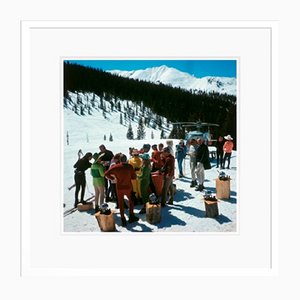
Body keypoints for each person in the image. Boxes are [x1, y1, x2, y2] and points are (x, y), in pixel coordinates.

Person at [105, 154, 139, 227]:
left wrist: (113, 179)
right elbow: (134, 177)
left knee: (120, 203)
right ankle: (131, 216)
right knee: (131, 201)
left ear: (119, 160)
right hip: (128, 187)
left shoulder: (116, 167)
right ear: (126, 159)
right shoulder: (129, 167)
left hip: (119, 187)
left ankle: (123, 219)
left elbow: (106, 174)